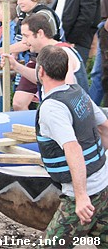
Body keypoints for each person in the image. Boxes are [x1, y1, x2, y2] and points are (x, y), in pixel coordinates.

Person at [34, 45, 108, 246]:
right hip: (104, 184)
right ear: (67, 70)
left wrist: (82, 196)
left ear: (41, 71)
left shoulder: (52, 108)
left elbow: (73, 148)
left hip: (86, 193)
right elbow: (105, 128)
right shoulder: (78, 92)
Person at [0, 0, 61, 110]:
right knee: (18, 103)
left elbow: (27, 43)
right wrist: (12, 55)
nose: (19, 2)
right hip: (32, 60)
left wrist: (0, 51)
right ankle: (29, 127)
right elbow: (20, 38)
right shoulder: (23, 12)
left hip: (50, 60)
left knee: (49, 101)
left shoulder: (43, 15)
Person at [4, 14, 89, 95]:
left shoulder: (61, 53)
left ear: (40, 33)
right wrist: (16, 66)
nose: (23, 41)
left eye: (26, 36)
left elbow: (66, 89)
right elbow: (41, 78)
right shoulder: (49, 53)